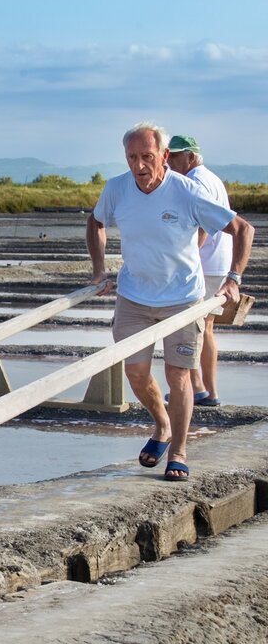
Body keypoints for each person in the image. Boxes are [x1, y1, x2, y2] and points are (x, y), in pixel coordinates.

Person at [87, 122, 253, 481]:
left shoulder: (187, 191)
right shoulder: (117, 189)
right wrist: (99, 270)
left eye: (147, 156)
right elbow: (95, 222)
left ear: (164, 156)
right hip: (133, 295)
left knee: (178, 375)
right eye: (132, 157)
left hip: (182, 298)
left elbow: (242, 229)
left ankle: (178, 450)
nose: (140, 166)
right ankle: (161, 425)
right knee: (135, 371)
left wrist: (233, 280)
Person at [166, 135, 231, 406]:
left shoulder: (195, 181)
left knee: (191, 327)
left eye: (174, 156)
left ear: (190, 157)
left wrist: (184, 258)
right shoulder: (211, 177)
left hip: (204, 264)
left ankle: (195, 388)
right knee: (205, 328)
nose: (168, 161)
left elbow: (201, 226)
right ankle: (206, 389)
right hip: (217, 261)